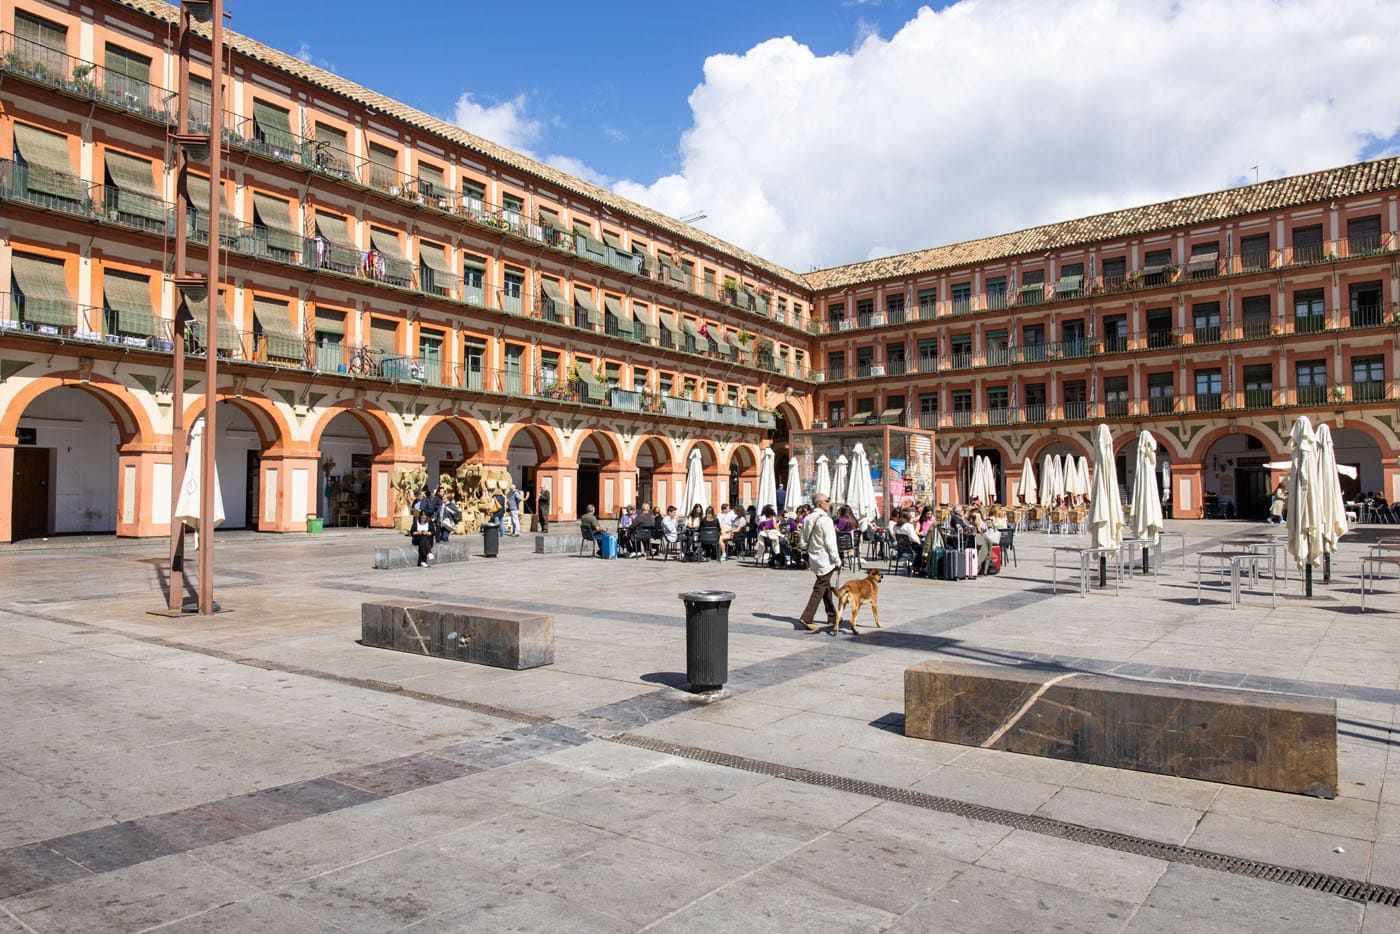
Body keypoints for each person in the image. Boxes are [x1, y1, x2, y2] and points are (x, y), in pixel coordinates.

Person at [797, 493, 842, 631]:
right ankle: (807, 617)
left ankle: (832, 615)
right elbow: (830, 543)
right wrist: (837, 560)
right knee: (820, 586)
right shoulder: (826, 520)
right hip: (825, 558)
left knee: (825, 586)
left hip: (813, 556)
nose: (829, 503)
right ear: (821, 503)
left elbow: (803, 540)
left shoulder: (808, 518)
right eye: (827, 501)